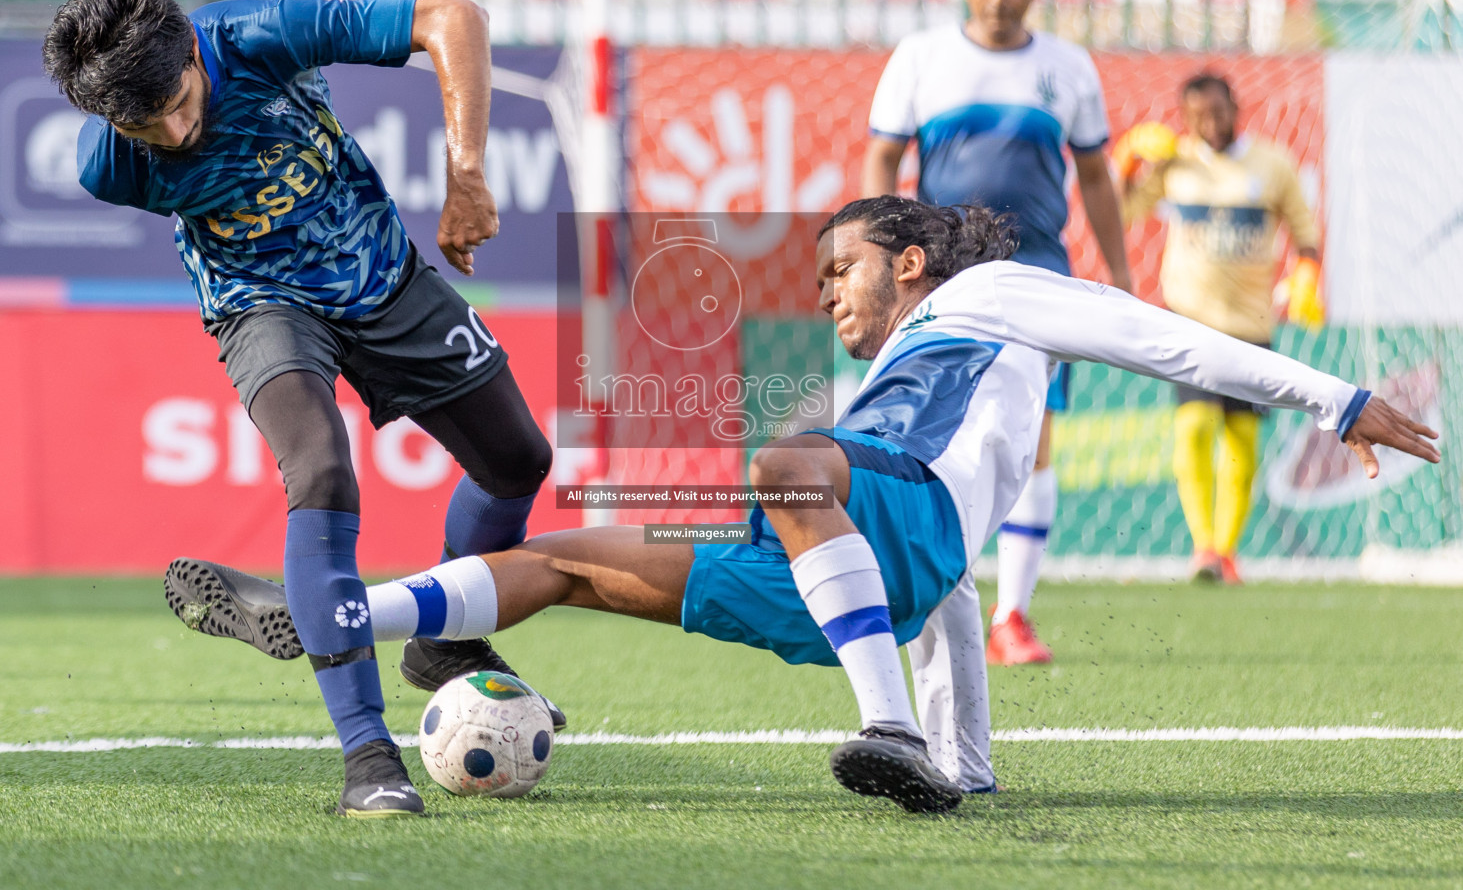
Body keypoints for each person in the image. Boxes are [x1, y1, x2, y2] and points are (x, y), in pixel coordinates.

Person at [167, 195, 1438, 815]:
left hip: (863, 506)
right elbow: (933, 597)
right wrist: (967, 767)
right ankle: (331, 612)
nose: (830, 289)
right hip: (853, 560)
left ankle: (876, 732)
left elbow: (1162, 339)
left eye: (844, 266)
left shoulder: (991, 295)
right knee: (565, 560)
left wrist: (1331, 398)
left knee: (785, 455)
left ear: (915, 260)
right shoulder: (897, 368)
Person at [41, 0, 563, 819]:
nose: (174, 130)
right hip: (261, 305)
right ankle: (367, 758)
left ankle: (442, 645)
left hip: (383, 277)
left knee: (517, 461)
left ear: (191, 48)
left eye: (178, 98)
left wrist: (465, 170)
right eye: (146, 123)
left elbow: (450, 17)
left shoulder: (260, 34)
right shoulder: (109, 167)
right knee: (320, 473)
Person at [860, 0, 1133, 667]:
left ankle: (1011, 616)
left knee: (1029, 440)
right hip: (944, 279)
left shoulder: (1066, 68)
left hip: (1041, 276)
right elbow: (883, 157)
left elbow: (1098, 176)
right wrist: (878, 259)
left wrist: (1119, 270)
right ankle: (919, 594)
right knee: (928, 435)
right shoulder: (920, 57)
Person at [1116, 74, 1324, 584]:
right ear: (1185, 119)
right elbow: (1122, 211)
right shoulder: (1176, 163)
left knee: (1241, 437)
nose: (1211, 124)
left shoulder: (1272, 165)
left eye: (1218, 112)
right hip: (1189, 320)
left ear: (1236, 107)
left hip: (1250, 322)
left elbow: (1305, 233)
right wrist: (1127, 163)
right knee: (1194, 427)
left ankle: (1226, 550)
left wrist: (1306, 277)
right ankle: (1203, 547)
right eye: (1199, 116)